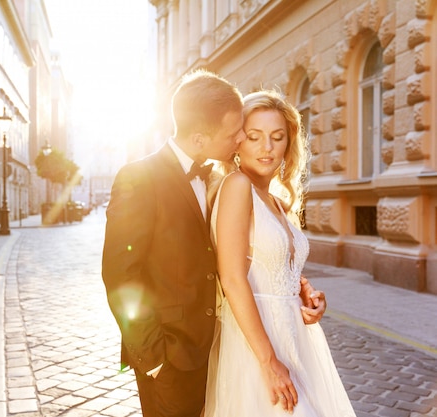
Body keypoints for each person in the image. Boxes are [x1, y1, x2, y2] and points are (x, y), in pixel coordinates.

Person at [102, 70, 327, 417]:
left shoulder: (218, 180)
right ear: (199, 136)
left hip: (219, 348)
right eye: (238, 132)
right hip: (172, 359)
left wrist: (298, 287)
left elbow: (243, 257)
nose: (241, 139)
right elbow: (120, 274)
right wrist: (154, 359)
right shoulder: (140, 178)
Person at [204, 89, 355, 417]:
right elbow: (231, 277)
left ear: (289, 144)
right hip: (256, 344)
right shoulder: (237, 186)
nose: (267, 147)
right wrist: (268, 361)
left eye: (277, 137)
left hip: (292, 338)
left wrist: (306, 293)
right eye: (255, 136)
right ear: (238, 141)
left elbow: (271, 264)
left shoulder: (277, 201)